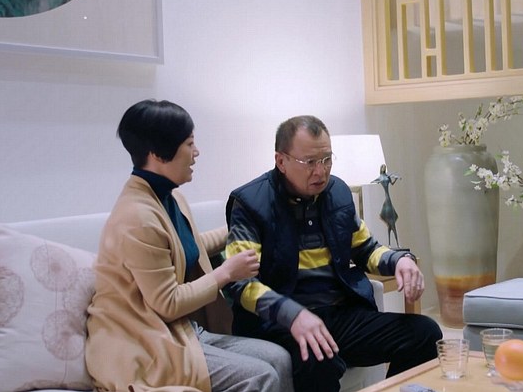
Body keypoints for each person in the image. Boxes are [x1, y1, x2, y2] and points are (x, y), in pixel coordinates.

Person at [86, 99, 293, 392]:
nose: (196, 152)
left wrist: (250, 224)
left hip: (180, 331)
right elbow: (168, 303)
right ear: (158, 153)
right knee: (260, 376)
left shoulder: (169, 198)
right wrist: (226, 272)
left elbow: (189, 247)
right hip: (143, 340)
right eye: (189, 144)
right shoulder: (137, 218)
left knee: (279, 357)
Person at [224, 115, 442, 392]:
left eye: (327, 159)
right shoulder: (250, 203)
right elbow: (241, 284)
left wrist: (399, 261)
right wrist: (293, 314)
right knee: (318, 359)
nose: (321, 171)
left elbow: (366, 249)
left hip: (338, 315)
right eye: (310, 162)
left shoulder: (337, 192)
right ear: (281, 161)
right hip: (280, 322)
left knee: (424, 333)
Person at [372, 164, 401, 247]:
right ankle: (392, 244)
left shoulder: (387, 177)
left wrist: (395, 179)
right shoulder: (381, 177)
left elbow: (392, 183)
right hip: (387, 198)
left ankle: (393, 244)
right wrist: (376, 181)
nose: (384, 169)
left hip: (388, 199)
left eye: (385, 168)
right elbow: (374, 181)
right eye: (383, 168)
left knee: (390, 225)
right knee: (391, 225)